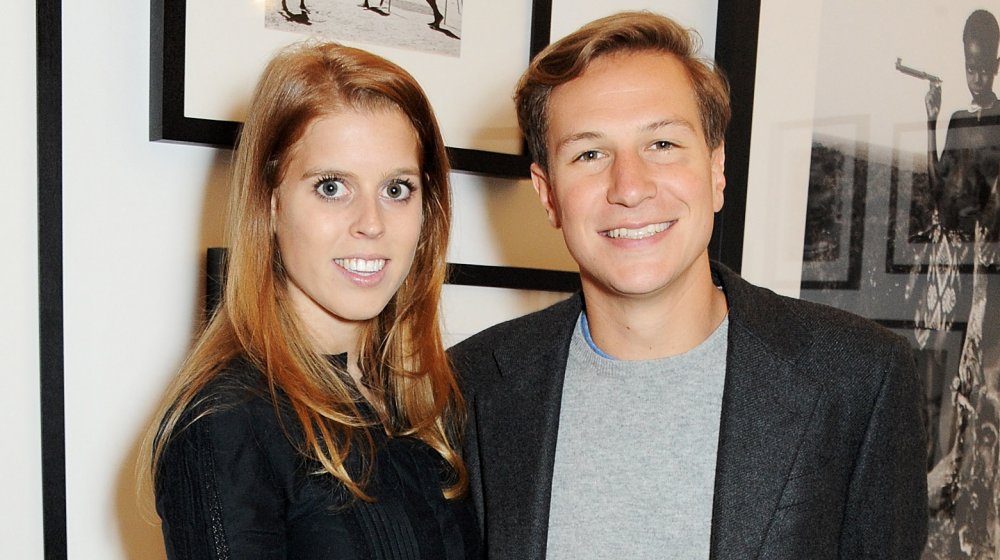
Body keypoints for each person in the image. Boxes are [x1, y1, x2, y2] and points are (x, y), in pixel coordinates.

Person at [450, 11, 928, 559]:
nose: (629, 187)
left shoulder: (859, 379)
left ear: (716, 168)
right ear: (548, 195)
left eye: (662, 145)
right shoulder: (469, 388)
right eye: (589, 154)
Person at [143, 42, 479, 559]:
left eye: (396, 189)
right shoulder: (227, 425)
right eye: (330, 187)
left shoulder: (431, 404)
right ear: (271, 204)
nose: (371, 222)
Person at [922, 9, 1000, 241]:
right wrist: (931, 121)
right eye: (971, 69)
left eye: (985, 70)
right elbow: (938, 189)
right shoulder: (958, 121)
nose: (977, 78)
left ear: (997, 66)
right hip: (953, 249)